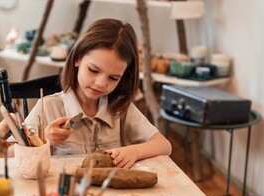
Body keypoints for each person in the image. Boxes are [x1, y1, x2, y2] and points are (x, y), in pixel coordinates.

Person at [24, 18, 172, 169]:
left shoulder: (121, 108)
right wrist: (43, 140)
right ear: (77, 58)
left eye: (113, 78)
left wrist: (134, 151)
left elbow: (164, 145)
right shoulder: (48, 107)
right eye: (93, 70)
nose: (101, 83)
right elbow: (11, 153)